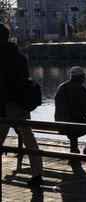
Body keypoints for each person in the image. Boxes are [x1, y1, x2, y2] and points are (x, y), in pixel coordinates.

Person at [0, 23, 43, 186]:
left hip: (4, 105)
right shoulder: (19, 55)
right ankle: (37, 174)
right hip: (22, 102)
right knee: (29, 138)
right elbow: (25, 79)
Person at [54, 66, 86, 155]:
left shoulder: (61, 87)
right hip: (72, 127)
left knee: (72, 119)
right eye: (84, 77)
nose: (84, 79)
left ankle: (74, 149)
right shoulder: (80, 88)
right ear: (81, 77)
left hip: (59, 125)